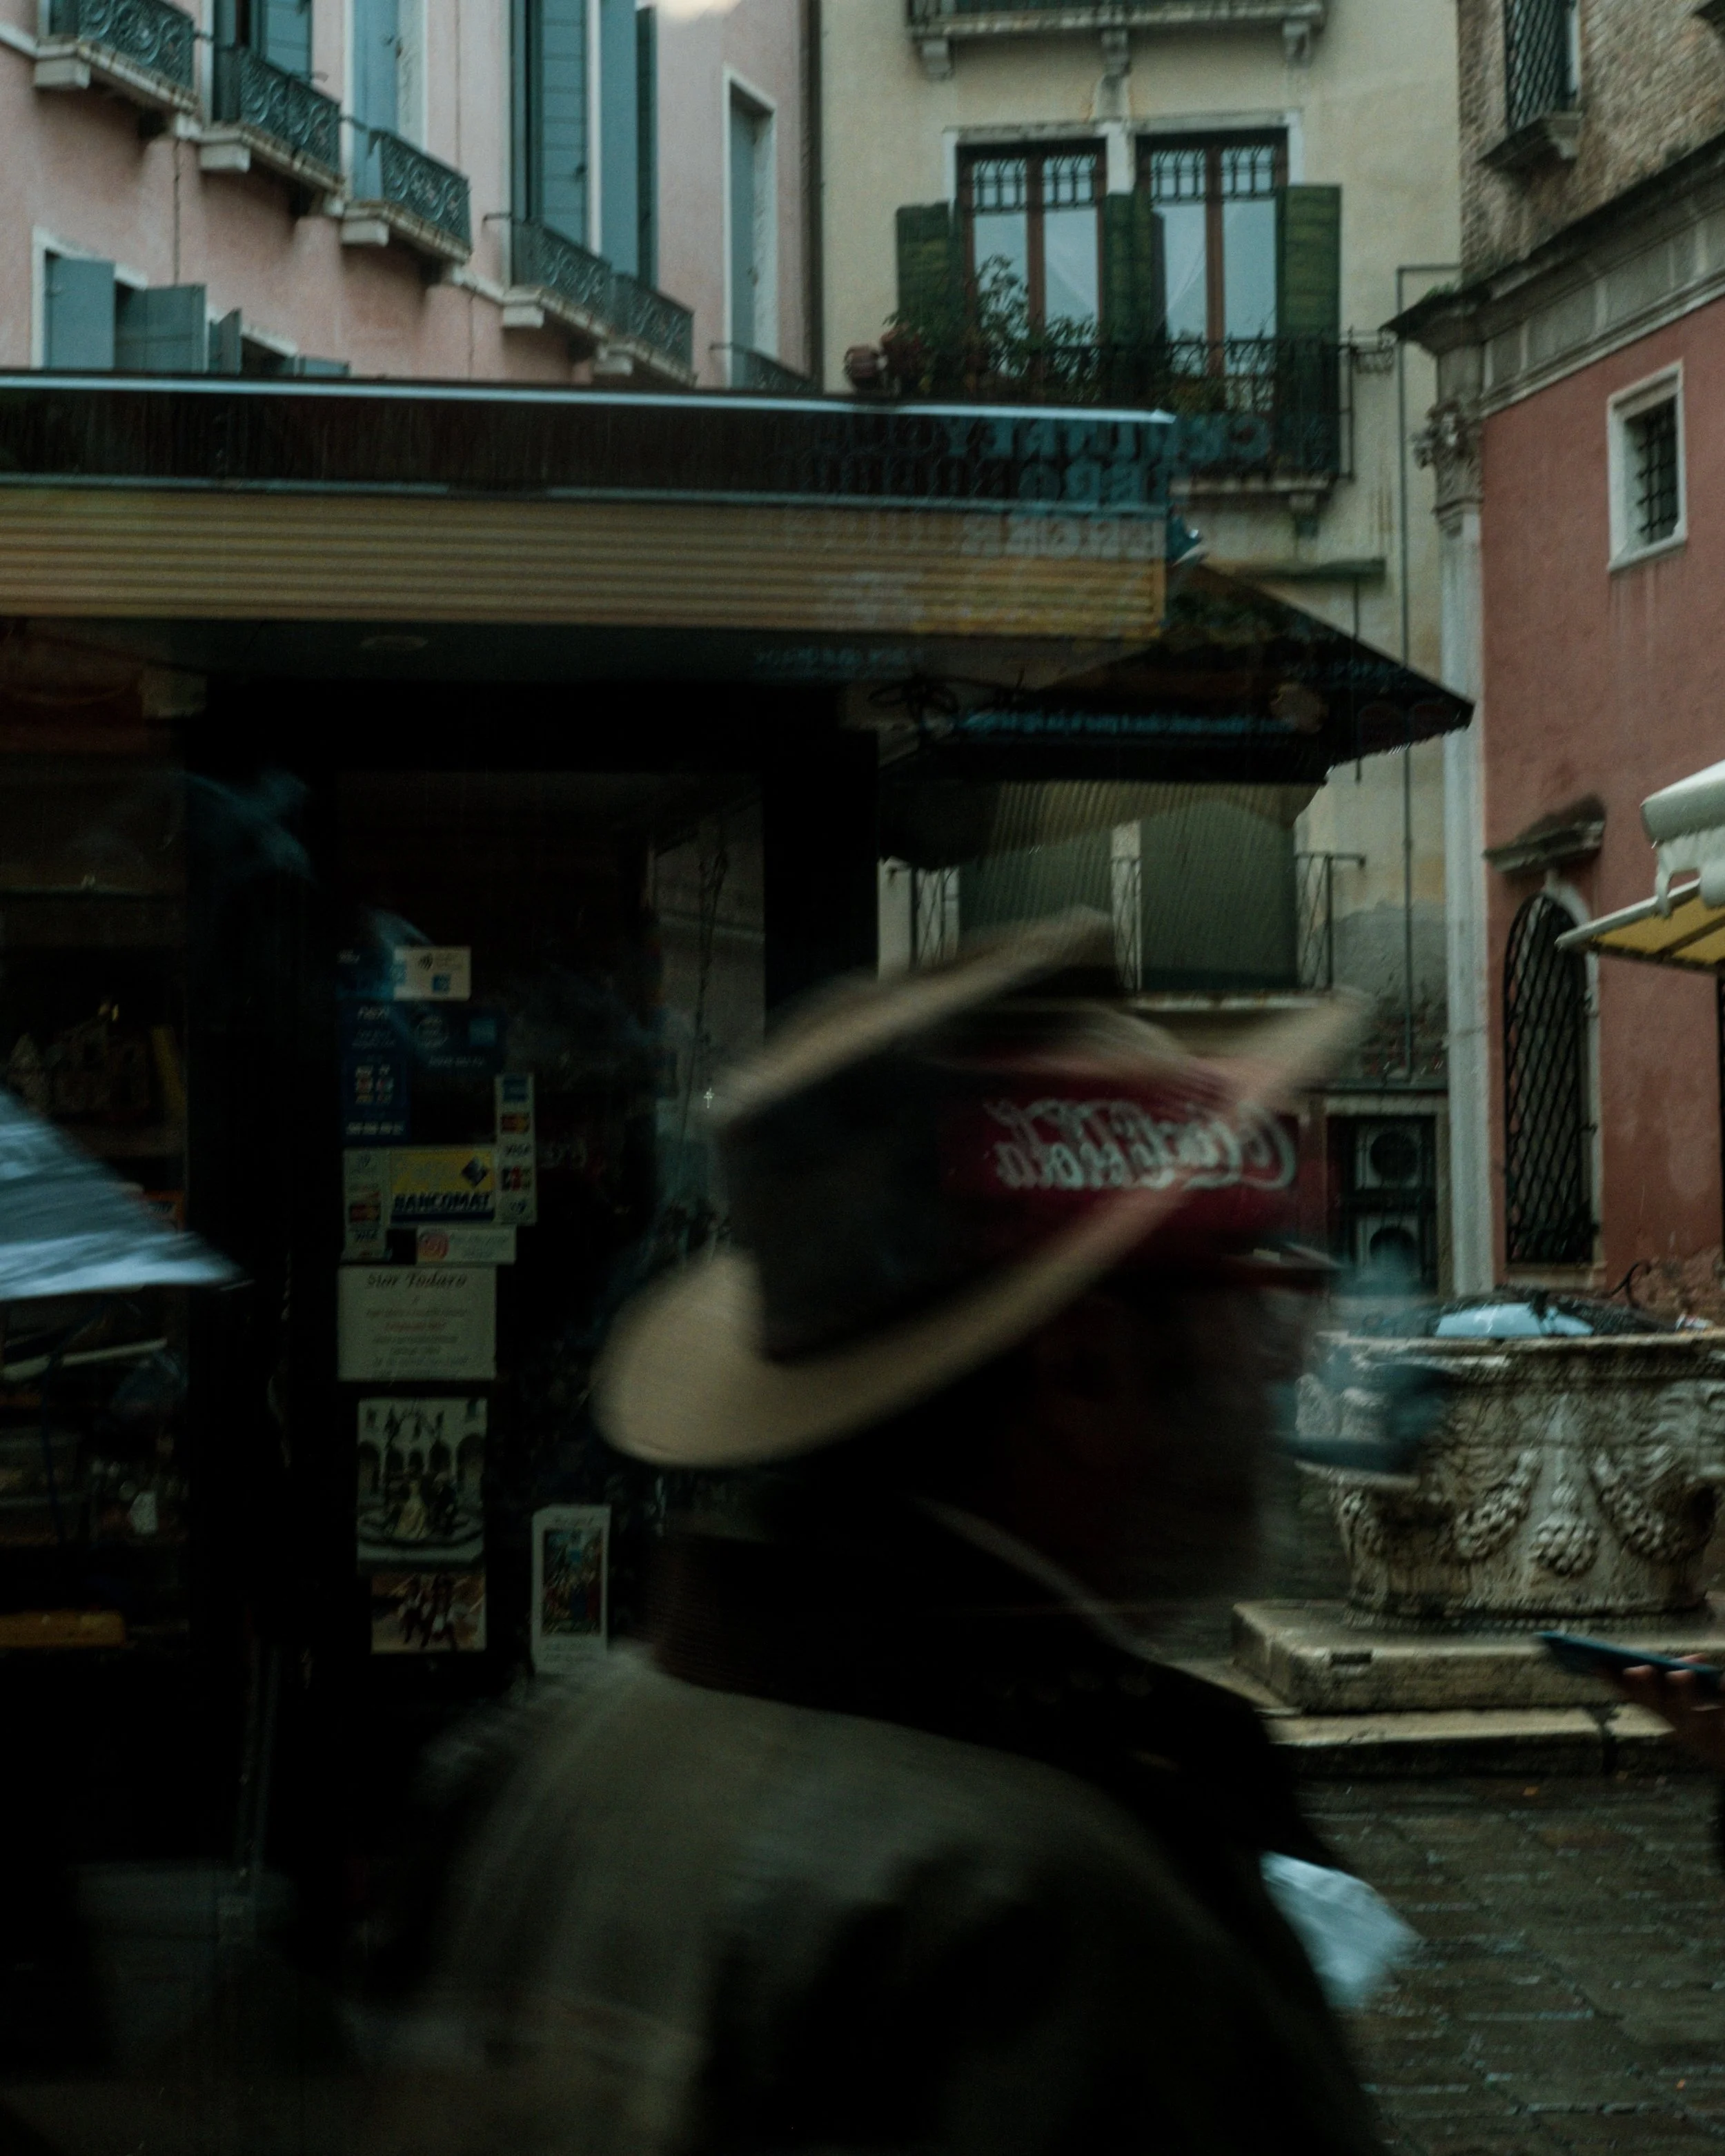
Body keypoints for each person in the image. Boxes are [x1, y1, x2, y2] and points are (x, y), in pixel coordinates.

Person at [364, 914, 1396, 2156]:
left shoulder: (546, 1756)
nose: (1284, 1361)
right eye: (1251, 1293)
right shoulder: (1052, 1920)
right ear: (1084, 1371)